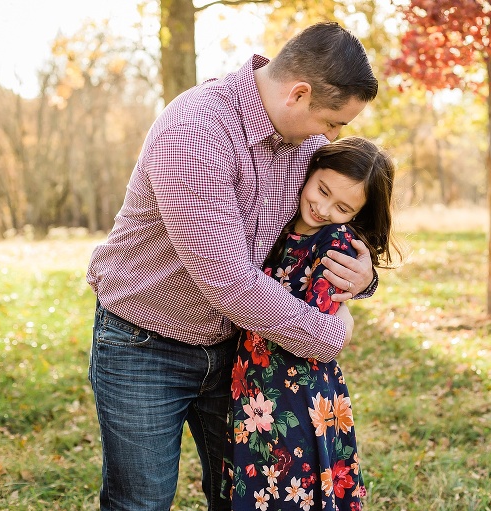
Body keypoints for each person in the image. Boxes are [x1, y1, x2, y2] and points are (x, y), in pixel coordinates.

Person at [86, 22, 378, 511]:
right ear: (298, 94)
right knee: (141, 502)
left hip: (238, 348)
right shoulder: (197, 128)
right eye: (333, 122)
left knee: (241, 496)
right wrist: (328, 335)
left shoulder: (304, 146)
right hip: (144, 342)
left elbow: (323, 226)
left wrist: (362, 279)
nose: (331, 136)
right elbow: (229, 280)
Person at [221, 136, 399, 511]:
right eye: (321, 190)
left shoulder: (334, 241)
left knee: (290, 492)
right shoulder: (280, 225)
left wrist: (353, 302)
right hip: (253, 386)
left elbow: (321, 318)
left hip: (297, 391)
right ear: (311, 168)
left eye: (343, 207)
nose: (322, 207)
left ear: (358, 213)